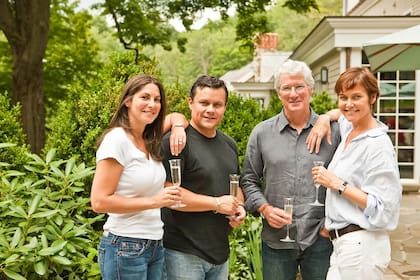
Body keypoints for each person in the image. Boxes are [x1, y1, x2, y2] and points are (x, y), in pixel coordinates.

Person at [241, 59, 341, 280]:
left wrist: (327, 116)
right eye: (286, 88)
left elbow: (359, 115)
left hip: (320, 238)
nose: (293, 93)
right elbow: (248, 179)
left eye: (299, 87)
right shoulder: (261, 133)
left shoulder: (333, 132)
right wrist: (264, 208)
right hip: (276, 240)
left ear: (310, 90)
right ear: (279, 93)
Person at [90, 74, 187, 280]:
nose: (152, 104)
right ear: (127, 101)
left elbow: (176, 117)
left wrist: (178, 127)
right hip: (125, 245)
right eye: (145, 97)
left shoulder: (147, 140)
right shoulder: (117, 140)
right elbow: (99, 202)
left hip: (155, 244)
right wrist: (155, 201)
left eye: (157, 99)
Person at [310, 67, 402, 280]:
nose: (348, 104)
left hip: (363, 246)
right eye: (343, 97)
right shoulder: (351, 128)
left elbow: (383, 208)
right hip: (341, 245)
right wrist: (324, 118)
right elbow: (340, 114)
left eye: (356, 97)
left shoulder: (378, 145)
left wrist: (337, 184)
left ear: (373, 97)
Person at [160, 75, 246, 280]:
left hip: (219, 254)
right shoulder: (176, 141)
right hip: (181, 254)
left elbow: (235, 186)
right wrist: (216, 203)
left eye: (217, 104)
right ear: (190, 103)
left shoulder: (229, 144)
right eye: (204, 103)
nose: (210, 110)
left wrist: (239, 207)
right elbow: (169, 193)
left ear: (225, 107)